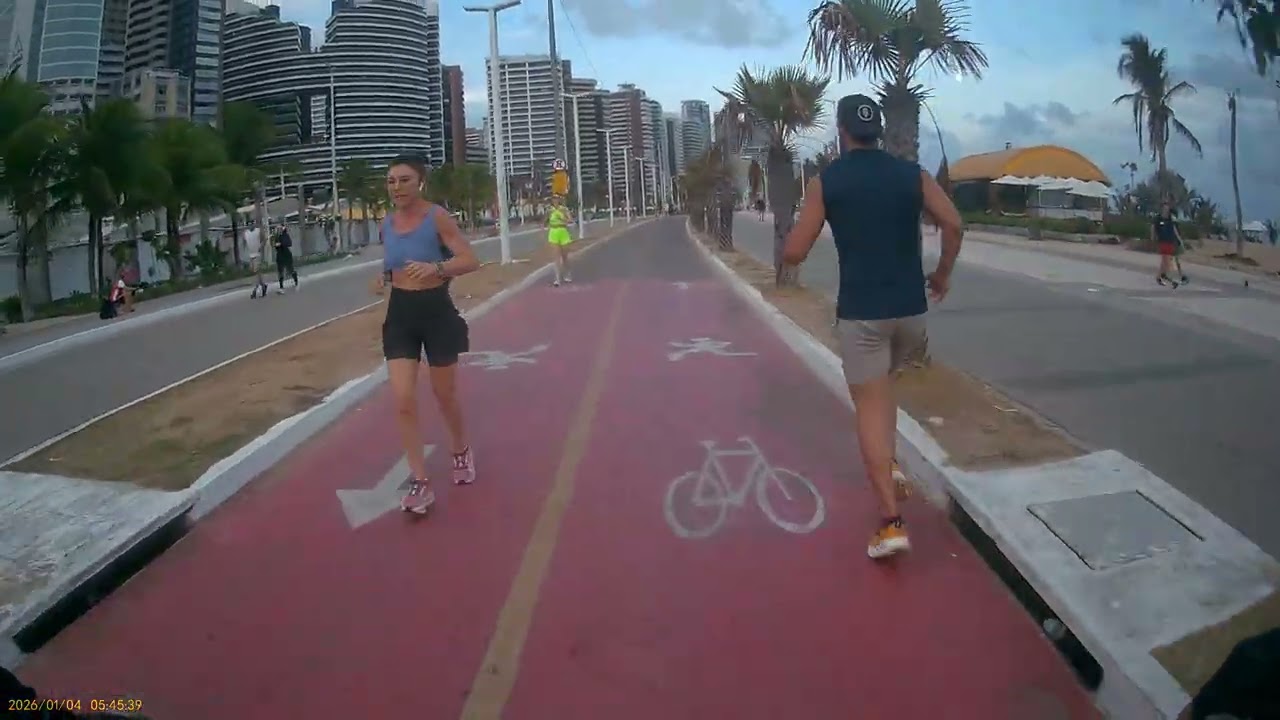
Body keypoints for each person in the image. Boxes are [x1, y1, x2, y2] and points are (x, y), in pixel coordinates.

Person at [782, 93, 963, 560]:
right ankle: (892, 467)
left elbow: (795, 252)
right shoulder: (912, 175)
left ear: (842, 132)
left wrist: (821, 221)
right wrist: (941, 275)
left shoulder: (830, 181)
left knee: (870, 408)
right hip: (911, 316)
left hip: (863, 315)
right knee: (883, 392)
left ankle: (890, 523)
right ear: (878, 130)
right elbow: (954, 224)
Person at [373, 154, 480, 514]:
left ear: (420, 183)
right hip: (400, 314)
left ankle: (461, 449)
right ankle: (420, 482)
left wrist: (436, 267)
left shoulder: (436, 216)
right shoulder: (386, 223)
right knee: (403, 399)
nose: (397, 187)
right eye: (391, 181)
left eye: (404, 180)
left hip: (437, 312)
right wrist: (383, 279)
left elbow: (470, 259)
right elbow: (391, 267)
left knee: (443, 394)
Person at [1153, 201, 1188, 287]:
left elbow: (1174, 229)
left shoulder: (1171, 218)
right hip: (1163, 241)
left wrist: (1179, 240)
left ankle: (1161, 277)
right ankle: (1164, 277)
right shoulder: (1158, 218)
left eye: (1167, 208)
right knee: (1166, 261)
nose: (1166, 210)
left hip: (1171, 241)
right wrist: (1153, 237)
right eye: (1164, 208)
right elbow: (1153, 227)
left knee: (1166, 262)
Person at [545, 194, 574, 287]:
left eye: (556, 199)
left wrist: (562, 219)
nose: (555, 201)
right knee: (556, 257)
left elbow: (570, 220)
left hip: (563, 232)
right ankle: (557, 278)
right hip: (553, 232)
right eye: (553, 199)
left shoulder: (564, 209)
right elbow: (545, 221)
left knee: (564, 256)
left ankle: (567, 273)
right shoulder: (549, 210)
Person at [243, 221, 268, 299]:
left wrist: (261, 246)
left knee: (257, 271)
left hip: (257, 254)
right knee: (256, 272)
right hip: (251, 254)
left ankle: (255, 290)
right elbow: (244, 242)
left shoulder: (258, 231)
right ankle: (263, 285)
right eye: (249, 225)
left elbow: (264, 239)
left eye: (252, 224)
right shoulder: (246, 233)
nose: (251, 226)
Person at [274, 227, 299, 294]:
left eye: (280, 229)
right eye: (277, 229)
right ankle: (281, 286)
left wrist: (281, 244)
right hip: (279, 255)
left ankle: (296, 281)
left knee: (290, 269)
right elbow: (275, 245)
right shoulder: (276, 237)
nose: (278, 230)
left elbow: (289, 243)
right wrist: (276, 245)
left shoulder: (285, 235)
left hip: (286, 254)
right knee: (280, 271)